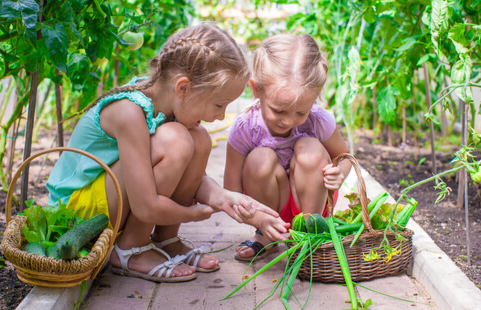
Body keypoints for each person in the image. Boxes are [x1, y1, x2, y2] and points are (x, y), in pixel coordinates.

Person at [46, 24, 280, 283]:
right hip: (77, 216)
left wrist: (223, 198)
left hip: (108, 204)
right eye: (218, 104)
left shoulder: (160, 103)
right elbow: (146, 207)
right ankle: (131, 250)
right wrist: (193, 214)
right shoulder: (129, 113)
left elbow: (196, 180)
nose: (220, 116)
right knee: (178, 139)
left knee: (199, 140)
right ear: (183, 89)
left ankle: (166, 238)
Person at [224, 33, 351, 261]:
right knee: (259, 159)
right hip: (267, 210)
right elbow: (231, 191)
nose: (288, 121)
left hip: (310, 202)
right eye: (278, 110)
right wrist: (257, 219)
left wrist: (340, 171)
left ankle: (309, 235)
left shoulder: (318, 120)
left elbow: (345, 156)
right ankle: (266, 237)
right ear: (256, 89)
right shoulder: (245, 128)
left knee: (310, 147)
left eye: (300, 112)